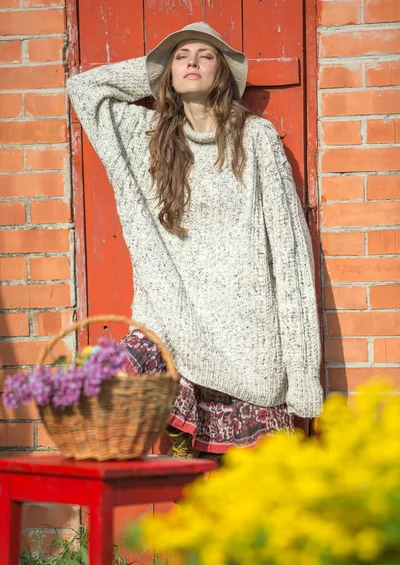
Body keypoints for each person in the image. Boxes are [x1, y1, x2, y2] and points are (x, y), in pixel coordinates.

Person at [66, 21, 323, 462]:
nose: (191, 62)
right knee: (186, 488)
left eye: (205, 56)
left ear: (222, 73)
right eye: (181, 56)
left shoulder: (255, 138)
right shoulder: (147, 135)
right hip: (175, 325)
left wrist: (303, 376)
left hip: (249, 340)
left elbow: (291, 252)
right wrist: (155, 69)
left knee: (247, 500)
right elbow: (84, 88)